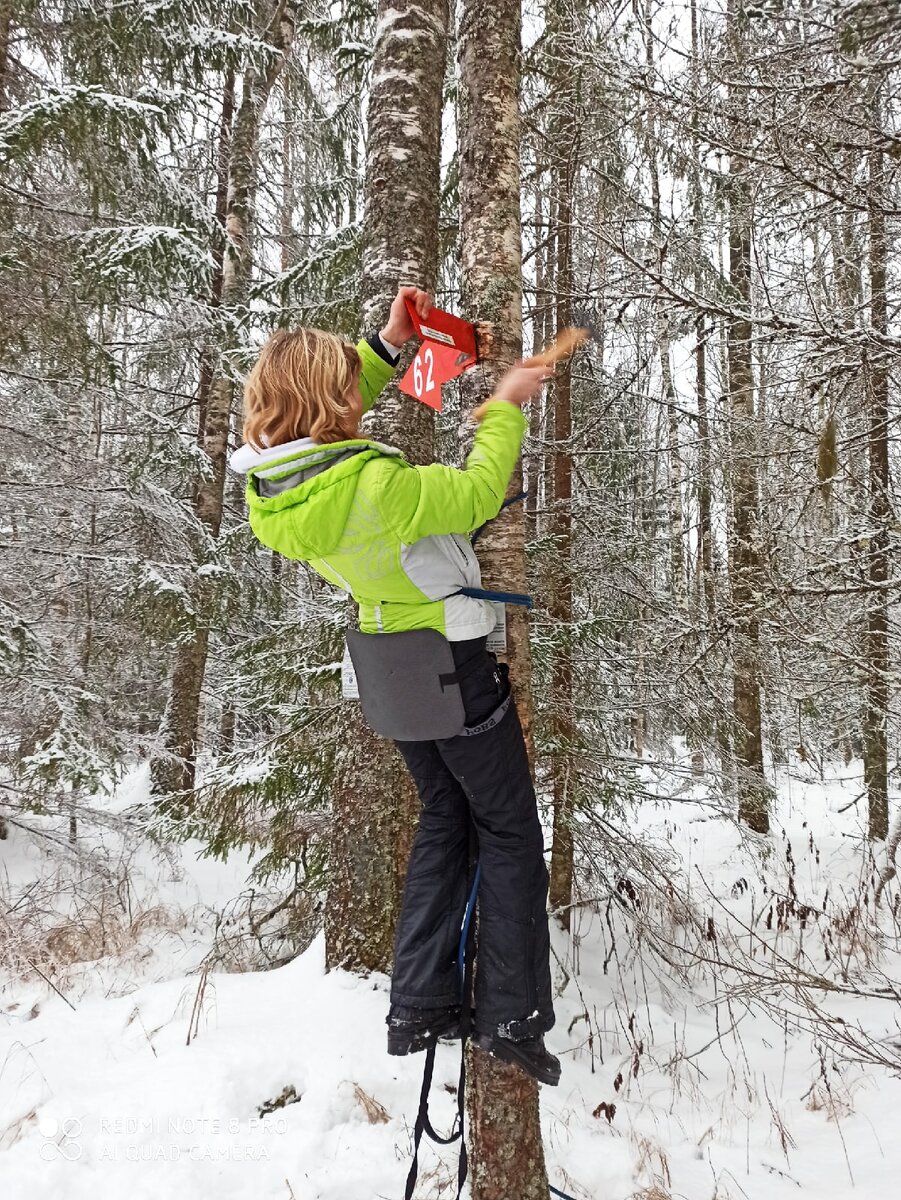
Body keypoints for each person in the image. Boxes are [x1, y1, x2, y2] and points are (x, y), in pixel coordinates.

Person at [229, 286, 560, 1086]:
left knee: (446, 816)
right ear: (328, 402)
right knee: (510, 833)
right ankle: (509, 1016)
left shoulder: (272, 494)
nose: (356, 393)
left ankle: (417, 1007)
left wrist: (385, 347)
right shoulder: (379, 488)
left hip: (388, 673)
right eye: (347, 382)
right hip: (452, 666)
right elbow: (480, 493)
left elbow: (324, 419)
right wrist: (504, 408)